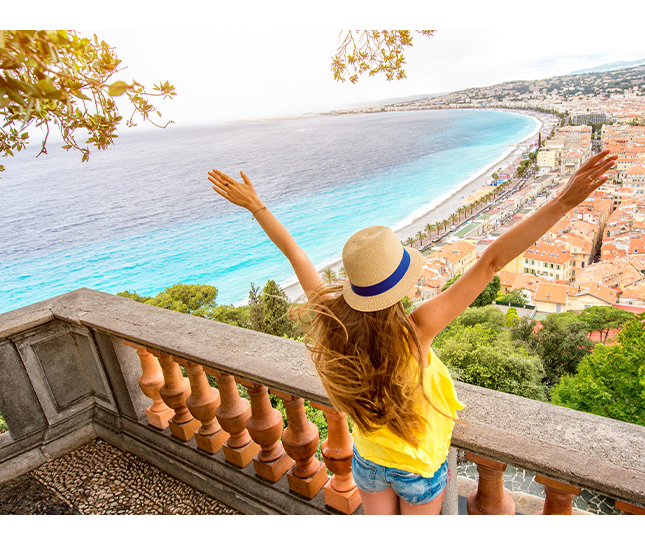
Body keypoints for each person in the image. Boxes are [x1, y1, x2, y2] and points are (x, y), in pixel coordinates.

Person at [207, 149, 617, 514]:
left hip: (367, 461)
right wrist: (564, 200)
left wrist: (257, 207)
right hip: (418, 467)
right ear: (400, 286)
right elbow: (491, 261)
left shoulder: (334, 326)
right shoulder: (417, 329)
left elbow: (297, 257)